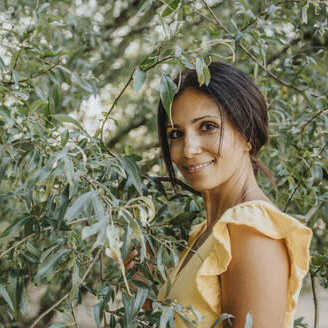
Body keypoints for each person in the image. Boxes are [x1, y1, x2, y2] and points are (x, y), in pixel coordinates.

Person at [126, 62, 312, 328]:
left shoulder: (252, 231)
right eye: (176, 133)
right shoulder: (208, 231)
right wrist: (145, 297)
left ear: (248, 134)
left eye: (208, 127)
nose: (188, 149)